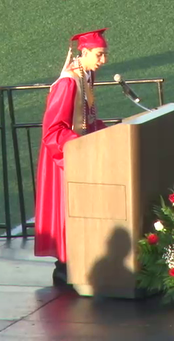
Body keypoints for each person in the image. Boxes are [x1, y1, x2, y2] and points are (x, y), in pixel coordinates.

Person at [35, 28, 109, 285]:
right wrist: (82, 146)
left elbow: (87, 118)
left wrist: (107, 133)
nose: (103, 60)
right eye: (99, 54)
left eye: (105, 54)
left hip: (78, 154)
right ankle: (66, 266)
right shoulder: (68, 83)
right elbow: (53, 131)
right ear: (84, 52)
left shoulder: (85, 76)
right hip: (63, 158)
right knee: (66, 210)